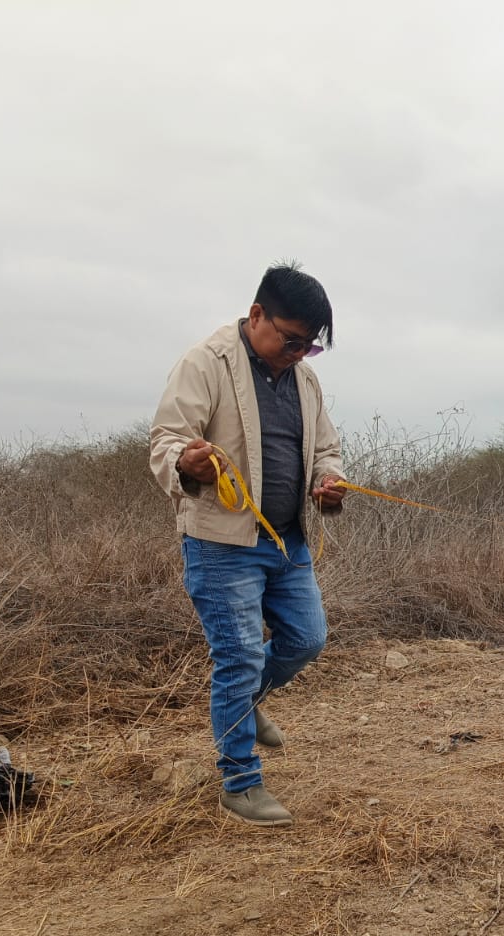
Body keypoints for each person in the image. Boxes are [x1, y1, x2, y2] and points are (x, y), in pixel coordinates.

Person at [149, 262, 348, 828]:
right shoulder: (205, 363)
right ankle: (239, 784)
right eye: (291, 341)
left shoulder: (303, 379)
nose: (299, 354)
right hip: (221, 543)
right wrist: (185, 462)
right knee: (237, 659)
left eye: (309, 347)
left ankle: (246, 699)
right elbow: (166, 440)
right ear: (257, 315)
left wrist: (328, 482)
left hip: (287, 541)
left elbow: (325, 448)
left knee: (306, 639)